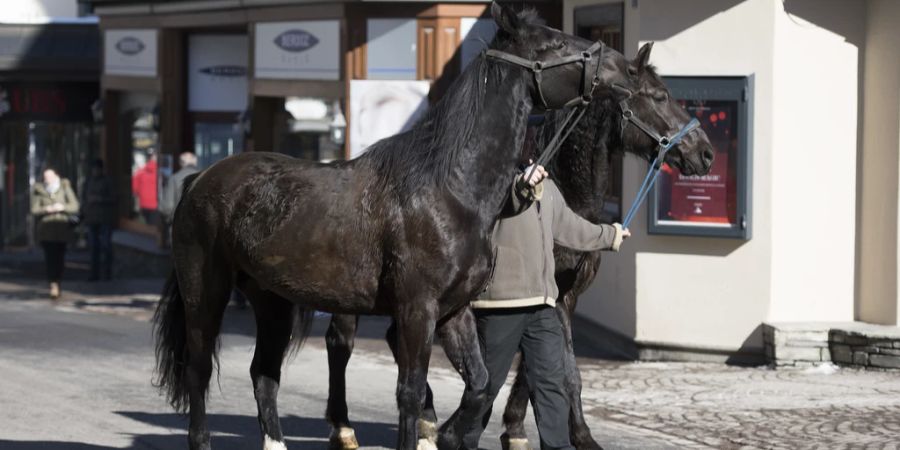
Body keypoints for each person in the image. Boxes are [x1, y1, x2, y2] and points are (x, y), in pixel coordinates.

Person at [464, 162, 630, 450]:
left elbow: (571, 227)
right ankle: (461, 441)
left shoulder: (549, 189)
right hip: (503, 304)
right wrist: (522, 185)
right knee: (487, 386)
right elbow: (511, 201)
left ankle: (558, 446)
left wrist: (610, 235)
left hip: (543, 306)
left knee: (551, 383)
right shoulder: (493, 180)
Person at [31, 167, 80, 299]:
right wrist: (47, 209)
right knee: (50, 258)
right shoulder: (39, 190)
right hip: (46, 230)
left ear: (56, 176)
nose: (48, 180)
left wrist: (62, 207)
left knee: (60, 258)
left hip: (62, 228)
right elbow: (34, 209)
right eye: (46, 178)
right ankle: (53, 284)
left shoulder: (64, 187)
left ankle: (58, 281)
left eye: (50, 177)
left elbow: (75, 205)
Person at [81, 158, 117, 281]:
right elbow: (84, 198)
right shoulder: (88, 181)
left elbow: (114, 198)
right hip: (91, 219)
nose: (95, 171)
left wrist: (99, 199)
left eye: (97, 169)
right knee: (93, 248)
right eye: (93, 169)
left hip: (104, 218)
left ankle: (107, 273)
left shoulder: (107, 181)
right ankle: (94, 273)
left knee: (106, 246)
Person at [159, 152, 199, 249]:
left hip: (179, 228)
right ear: (195, 162)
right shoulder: (205, 177)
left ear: (181, 163)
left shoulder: (174, 179)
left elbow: (166, 208)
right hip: (200, 230)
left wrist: (170, 221)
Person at [132, 151, 159, 226]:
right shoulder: (159, 172)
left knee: (146, 226)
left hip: (143, 204)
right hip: (155, 204)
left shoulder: (139, 172)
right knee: (154, 228)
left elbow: (135, 189)